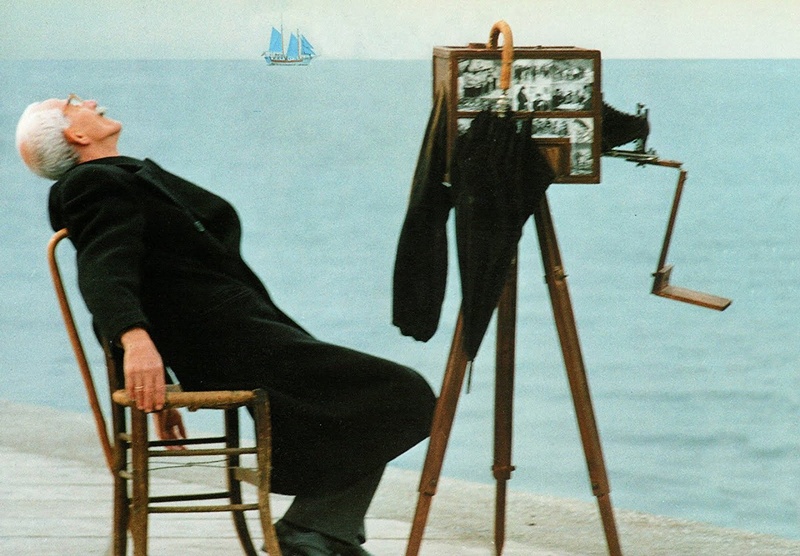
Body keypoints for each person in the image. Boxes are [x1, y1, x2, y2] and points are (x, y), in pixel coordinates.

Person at [16, 94, 437, 556]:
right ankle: (313, 530)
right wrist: (136, 344)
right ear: (76, 134)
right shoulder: (92, 182)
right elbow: (104, 270)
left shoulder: (117, 177)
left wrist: (158, 368)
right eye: (74, 103)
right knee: (402, 392)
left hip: (237, 332)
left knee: (380, 397)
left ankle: (322, 530)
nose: (91, 101)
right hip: (224, 338)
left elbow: (132, 272)